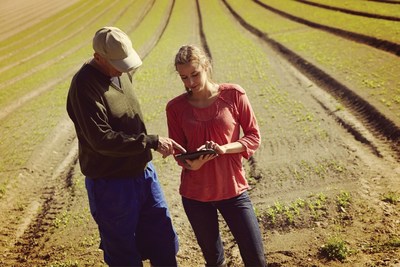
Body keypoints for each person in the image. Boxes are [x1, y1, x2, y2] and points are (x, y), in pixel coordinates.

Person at [66, 26, 185, 267]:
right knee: (124, 254)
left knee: (163, 240)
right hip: (112, 184)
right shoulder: (84, 86)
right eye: (118, 63)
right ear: (98, 57)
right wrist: (150, 141)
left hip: (143, 174)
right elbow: (101, 139)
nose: (125, 67)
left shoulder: (120, 71)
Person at [166, 44, 266, 267]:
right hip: (195, 196)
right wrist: (193, 164)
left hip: (233, 190)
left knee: (256, 260)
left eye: (195, 74)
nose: (191, 83)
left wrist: (224, 148)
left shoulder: (234, 94)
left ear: (206, 66)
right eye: (184, 78)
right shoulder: (175, 108)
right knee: (215, 261)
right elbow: (179, 153)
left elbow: (253, 137)